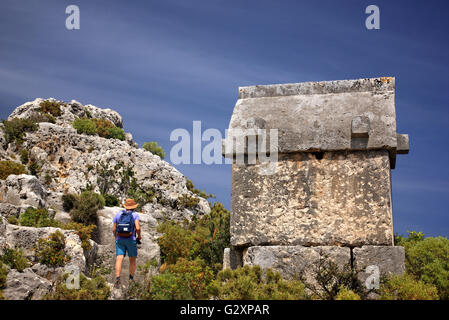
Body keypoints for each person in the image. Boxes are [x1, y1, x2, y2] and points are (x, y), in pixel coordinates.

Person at [112, 198, 142, 287]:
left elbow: (114, 229)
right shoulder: (135, 215)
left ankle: (117, 279)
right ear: (133, 207)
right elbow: (138, 228)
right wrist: (139, 236)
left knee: (119, 258)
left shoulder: (118, 214)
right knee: (132, 260)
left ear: (126, 206)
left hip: (120, 240)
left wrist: (116, 237)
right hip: (131, 239)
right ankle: (131, 280)